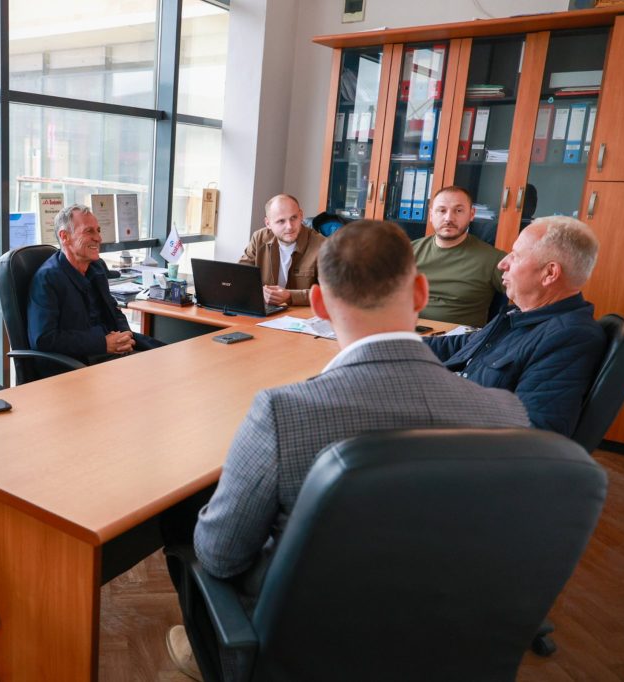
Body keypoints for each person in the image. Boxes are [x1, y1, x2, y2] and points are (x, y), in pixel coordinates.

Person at [166, 220, 529, 682]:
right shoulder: (507, 414)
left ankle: (207, 648)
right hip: (445, 644)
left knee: (188, 517)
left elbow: (221, 556)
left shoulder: (283, 413)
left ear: (318, 303)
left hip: (304, 649)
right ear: (420, 293)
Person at [425, 215, 606, 437]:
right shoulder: (521, 314)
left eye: (516, 255)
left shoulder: (569, 337)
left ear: (549, 273)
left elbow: (533, 433)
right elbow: (463, 345)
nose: (503, 264)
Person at [27, 203, 164, 364]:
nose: (98, 238)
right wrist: (102, 343)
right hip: (80, 361)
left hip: (113, 350)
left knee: (169, 355)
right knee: (158, 369)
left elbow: (113, 310)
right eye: (89, 231)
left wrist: (124, 336)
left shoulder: (96, 267)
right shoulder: (47, 279)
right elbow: (43, 339)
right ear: (64, 237)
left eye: (98, 231)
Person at [413, 185, 506, 327]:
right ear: (431, 215)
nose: (449, 218)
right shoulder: (407, 253)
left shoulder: (494, 259)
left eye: (458, 210)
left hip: (458, 339)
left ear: (472, 214)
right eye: (442, 210)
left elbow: (532, 298)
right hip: (407, 334)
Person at [239, 193, 325, 307]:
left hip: (302, 314)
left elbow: (332, 293)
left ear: (301, 215)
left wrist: (290, 296)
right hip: (267, 310)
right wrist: (259, 292)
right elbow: (240, 276)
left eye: (294, 218)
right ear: (268, 223)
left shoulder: (323, 245)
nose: (289, 226)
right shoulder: (259, 238)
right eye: (281, 221)